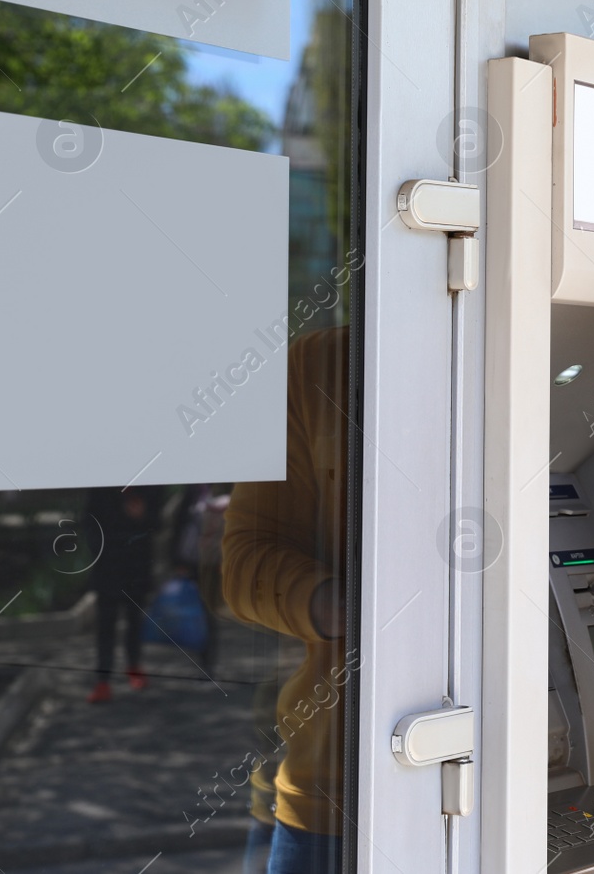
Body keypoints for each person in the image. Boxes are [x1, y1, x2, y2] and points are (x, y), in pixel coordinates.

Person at [222, 325, 350, 874]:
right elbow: (244, 563)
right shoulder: (319, 366)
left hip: (521, 782)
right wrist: (336, 604)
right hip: (332, 799)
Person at [85, 485, 161, 703]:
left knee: (134, 620)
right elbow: (89, 522)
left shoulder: (149, 488)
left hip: (136, 567)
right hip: (107, 567)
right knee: (106, 625)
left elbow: (158, 523)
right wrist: (99, 551)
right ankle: (103, 680)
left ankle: (134, 667)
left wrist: (143, 515)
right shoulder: (101, 488)